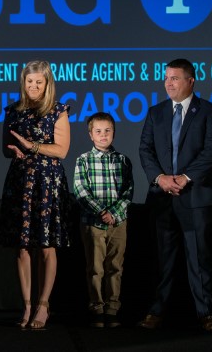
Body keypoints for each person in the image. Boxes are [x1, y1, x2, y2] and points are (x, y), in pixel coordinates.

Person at [138, 58, 212, 331]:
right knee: (162, 258)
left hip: (197, 197)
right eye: (166, 78)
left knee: (199, 257)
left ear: (190, 81)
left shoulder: (210, 111)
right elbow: (145, 149)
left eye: (174, 78)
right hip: (162, 197)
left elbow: (211, 151)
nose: (168, 83)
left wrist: (185, 178)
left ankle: (206, 312)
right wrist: (160, 178)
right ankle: (157, 310)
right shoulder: (156, 112)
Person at [0, 60, 72, 330]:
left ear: (47, 83)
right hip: (20, 182)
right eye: (29, 82)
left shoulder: (57, 111)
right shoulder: (13, 110)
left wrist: (32, 146)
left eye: (39, 82)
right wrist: (14, 150)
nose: (33, 86)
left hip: (47, 182)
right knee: (23, 246)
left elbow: (62, 150)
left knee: (46, 245)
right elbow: (5, 148)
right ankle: (27, 306)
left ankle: (43, 305)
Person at [73, 112, 133, 329]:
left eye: (107, 130)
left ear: (114, 133)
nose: (103, 135)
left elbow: (128, 191)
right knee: (95, 268)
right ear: (91, 135)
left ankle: (112, 308)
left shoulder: (123, 160)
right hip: (93, 223)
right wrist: (102, 213)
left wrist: (114, 213)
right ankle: (97, 308)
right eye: (98, 131)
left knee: (115, 266)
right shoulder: (83, 160)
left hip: (118, 222)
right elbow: (81, 191)